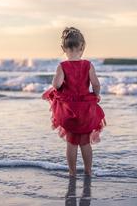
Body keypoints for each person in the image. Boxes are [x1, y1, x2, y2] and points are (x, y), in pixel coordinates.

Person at [42, 26, 106, 176]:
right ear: (82, 46)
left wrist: (56, 82)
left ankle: (72, 173)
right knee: (85, 143)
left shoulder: (62, 66)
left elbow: (56, 85)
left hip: (69, 110)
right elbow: (96, 84)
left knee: (71, 143)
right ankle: (88, 171)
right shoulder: (88, 65)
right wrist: (96, 95)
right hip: (85, 110)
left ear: (63, 48)